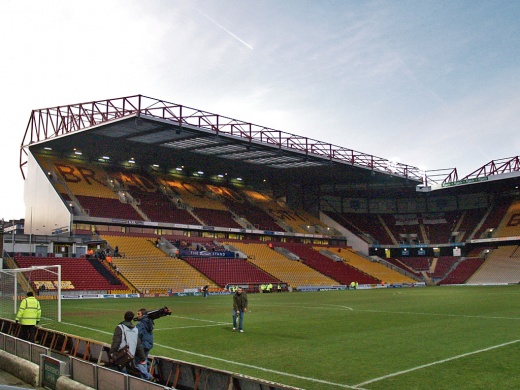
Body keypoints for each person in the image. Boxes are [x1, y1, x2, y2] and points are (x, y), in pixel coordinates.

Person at [110, 311, 152, 381]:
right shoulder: (135, 329)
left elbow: (116, 342)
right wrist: (142, 358)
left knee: (119, 370)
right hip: (131, 354)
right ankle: (146, 377)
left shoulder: (120, 327)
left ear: (124, 317)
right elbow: (139, 345)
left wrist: (112, 353)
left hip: (121, 353)